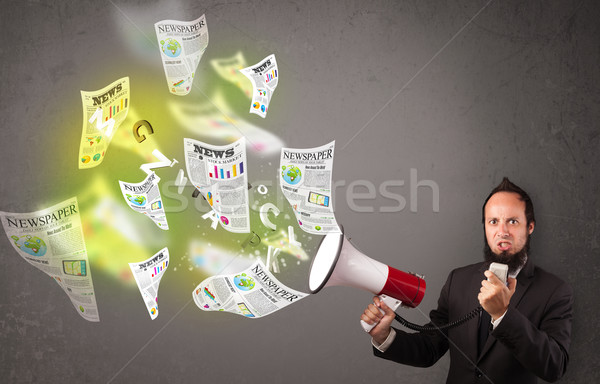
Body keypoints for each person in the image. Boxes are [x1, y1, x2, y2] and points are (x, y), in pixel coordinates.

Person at [361, 177, 573, 384]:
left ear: (530, 227)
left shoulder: (554, 291)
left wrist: (503, 315)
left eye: (513, 221)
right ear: (485, 228)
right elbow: (429, 349)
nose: (502, 231)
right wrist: (384, 335)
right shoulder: (458, 280)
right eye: (493, 222)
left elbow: (554, 366)